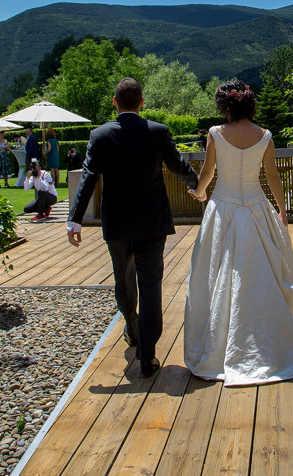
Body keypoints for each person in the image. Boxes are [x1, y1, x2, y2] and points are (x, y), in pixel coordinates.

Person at [67, 78, 200, 379]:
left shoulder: (100, 135)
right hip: (152, 222)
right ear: (141, 102)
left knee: (124, 281)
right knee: (151, 285)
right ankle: (148, 355)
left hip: (117, 223)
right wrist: (198, 186)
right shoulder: (157, 131)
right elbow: (178, 165)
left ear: (115, 102)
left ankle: (132, 326)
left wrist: (75, 219)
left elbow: (88, 176)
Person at [185, 81, 293, 386]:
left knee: (213, 274)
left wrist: (200, 192)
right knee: (263, 274)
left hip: (223, 209)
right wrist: (282, 210)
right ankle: (267, 343)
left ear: (224, 106)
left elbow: (208, 172)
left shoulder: (215, 133)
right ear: (249, 103)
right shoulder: (264, 135)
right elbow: (272, 175)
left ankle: (220, 343)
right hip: (257, 208)